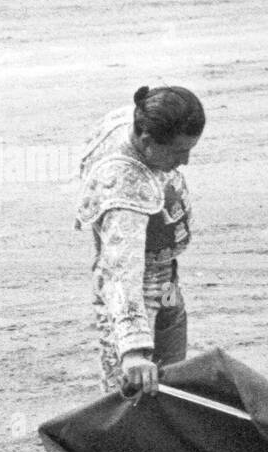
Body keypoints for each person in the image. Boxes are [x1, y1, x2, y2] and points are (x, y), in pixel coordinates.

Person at [75, 85, 204, 396]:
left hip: (167, 281)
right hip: (140, 290)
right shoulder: (125, 187)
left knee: (173, 378)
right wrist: (133, 349)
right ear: (147, 141)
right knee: (134, 396)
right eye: (177, 151)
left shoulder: (127, 120)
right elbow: (121, 271)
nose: (185, 160)